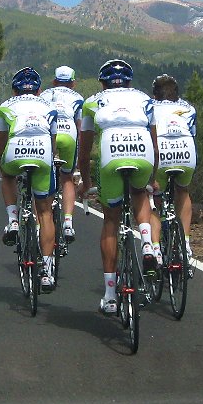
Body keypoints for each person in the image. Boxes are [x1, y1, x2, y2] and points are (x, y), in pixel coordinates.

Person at [77, 59, 158, 314]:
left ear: (102, 82)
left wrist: (86, 182)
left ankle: (111, 295)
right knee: (140, 193)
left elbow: (85, 150)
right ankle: (147, 243)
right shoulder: (146, 99)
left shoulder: (92, 101)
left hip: (111, 152)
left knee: (111, 221)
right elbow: (155, 145)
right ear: (130, 82)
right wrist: (152, 178)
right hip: (142, 149)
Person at [0, 67, 59, 293]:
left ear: (14, 91)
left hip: (15, 151)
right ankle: (47, 273)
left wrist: (3, 166)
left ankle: (13, 219)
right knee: (45, 213)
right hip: (42, 154)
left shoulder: (6, 106)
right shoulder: (49, 107)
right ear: (39, 90)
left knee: (7, 175)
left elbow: (0, 146)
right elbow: (53, 144)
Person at [148, 74, 198, 276]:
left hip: (161, 151)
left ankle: (156, 248)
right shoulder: (189, 108)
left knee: (152, 196)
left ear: (155, 94)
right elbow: (193, 134)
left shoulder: (149, 107)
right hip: (186, 150)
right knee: (183, 192)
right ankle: (185, 244)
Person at [39, 65, 84, 242]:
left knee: (40, 179)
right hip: (68, 134)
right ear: (73, 83)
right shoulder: (78, 97)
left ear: (54, 81)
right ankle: (67, 222)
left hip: (48, 134)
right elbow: (80, 129)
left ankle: (39, 225)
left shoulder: (43, 96)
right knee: (67, 178)